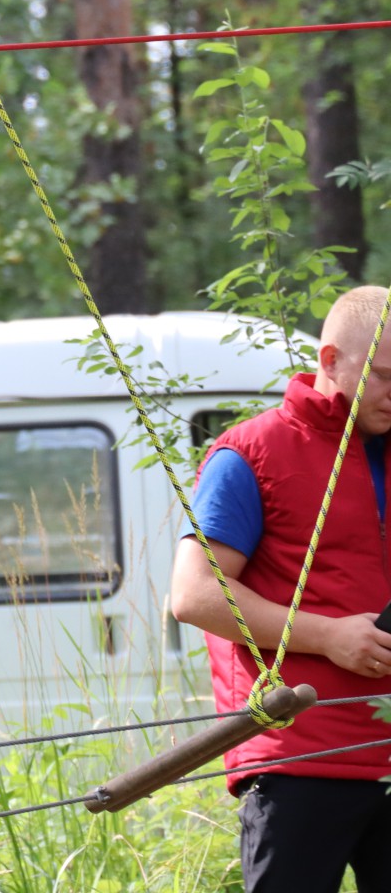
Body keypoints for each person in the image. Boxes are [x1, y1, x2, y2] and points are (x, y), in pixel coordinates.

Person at [171, 285, 391, 893]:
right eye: (383, 375)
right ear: (330, 361)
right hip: (298, 756)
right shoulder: (250, 452)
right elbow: (194, 595)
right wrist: (329, 637)